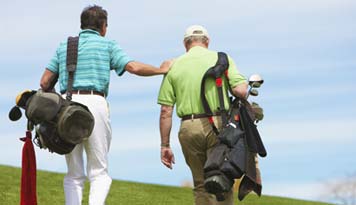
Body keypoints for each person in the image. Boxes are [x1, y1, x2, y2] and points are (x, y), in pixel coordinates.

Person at [40, 5, 172, 205]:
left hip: (66, 107)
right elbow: (133, 67)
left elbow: (44, 82)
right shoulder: (107, 45)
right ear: (103, 26)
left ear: (82, 25)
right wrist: (161, 70)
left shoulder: (65, 46)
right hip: (95, 104)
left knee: (74, 173)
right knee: (99, 171)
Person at [157, 25, 248, 205]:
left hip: (188, 128)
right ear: (207, 42)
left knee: (200, 184)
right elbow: (240, 91)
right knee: (223, 179)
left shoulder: (173, 65)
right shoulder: (222, 59)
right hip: (219, 125)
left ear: (186, 44)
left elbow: (166, 111)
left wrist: (165, 145)